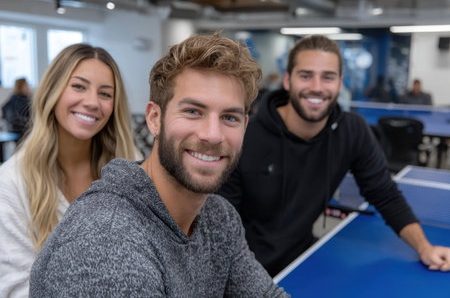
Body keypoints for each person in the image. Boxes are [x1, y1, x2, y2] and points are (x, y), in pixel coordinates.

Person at [29, 33, 289, 297]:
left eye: (229, 117)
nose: (212, 134)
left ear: (245, 127)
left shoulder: (218, 217)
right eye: (192, 112)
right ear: (154, 119)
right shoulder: (108, 241)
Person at [218, 35, 450, 277]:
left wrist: (425, 248)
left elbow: (384, 193)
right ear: (288, 80)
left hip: (301, 258)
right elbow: (219, 227)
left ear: (340, 84)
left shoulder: (352, 131)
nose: (317, 87)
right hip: (245, 268)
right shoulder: (244, 136)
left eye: (327, 77)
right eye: (306, 75)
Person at [0, 44, 139, 297]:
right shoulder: (11, 183)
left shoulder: (130, 167)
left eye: (105, 94)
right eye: (78, 86)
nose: (92, 102)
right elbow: (15, 289)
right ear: (53, 90)